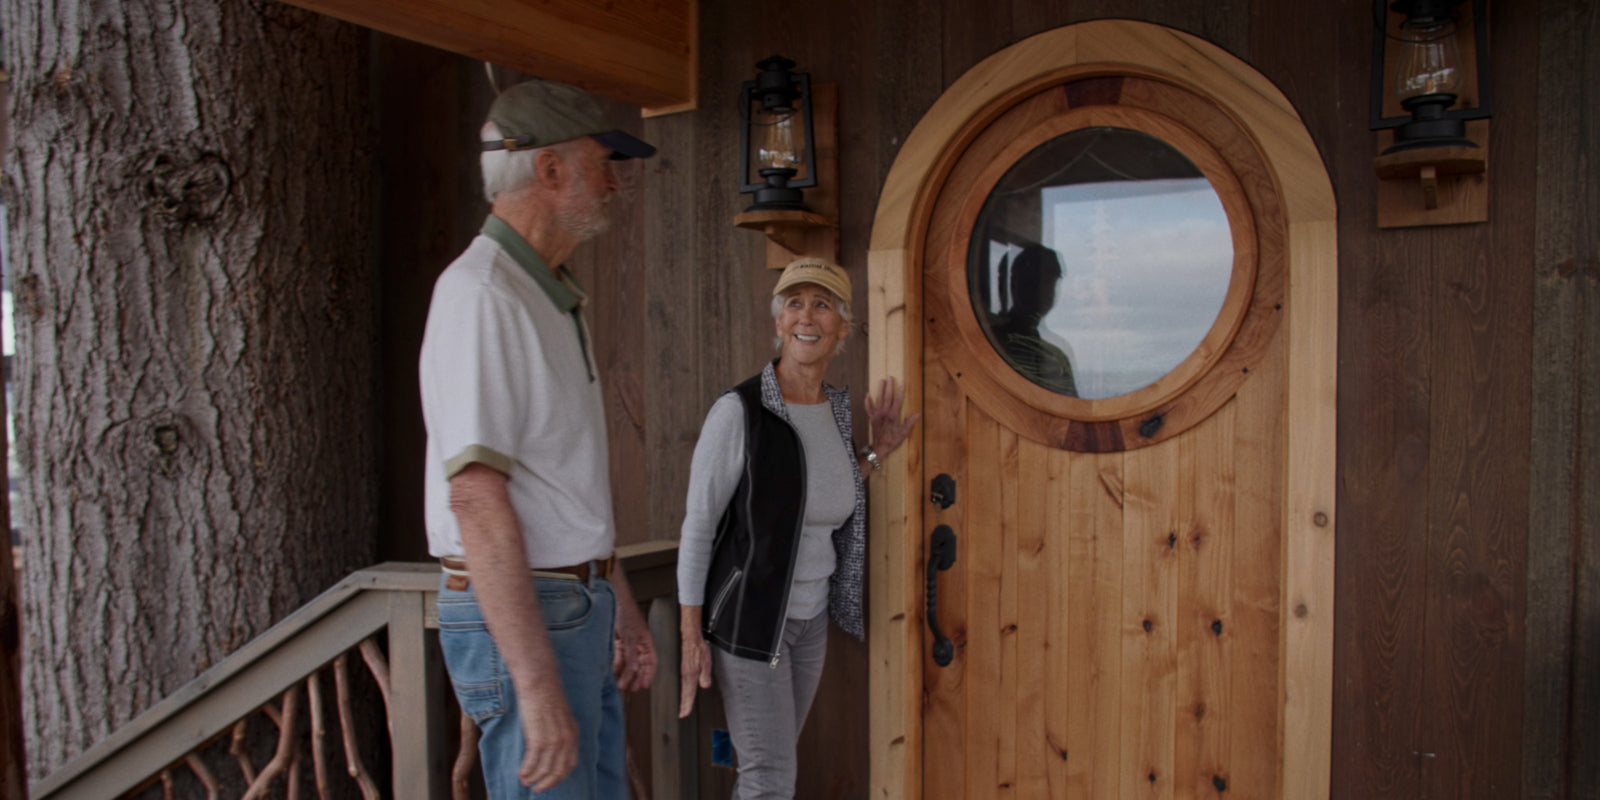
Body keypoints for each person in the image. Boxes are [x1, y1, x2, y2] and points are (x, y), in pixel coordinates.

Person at [419, 79, 658, 799]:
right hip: (530, 615)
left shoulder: (546, 291)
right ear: (550, 170)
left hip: (571, 607)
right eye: (602, 162)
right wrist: (535, 686)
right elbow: (475, 497)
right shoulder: (482, 295)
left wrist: (616, 601)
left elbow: (560, 484)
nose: (616, 181)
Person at [675, 256, 919, 799]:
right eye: (794, 303)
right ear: (779, 322)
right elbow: (698, 528)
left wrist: (874, 455)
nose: (807, 316)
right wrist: (691, 637)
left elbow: (811, 496)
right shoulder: (740, 412)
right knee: (769, 780)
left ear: (843, 327)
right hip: (753, 621)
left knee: (772, 771)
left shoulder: (832, 408)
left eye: (822, 304)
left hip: (810, 623)